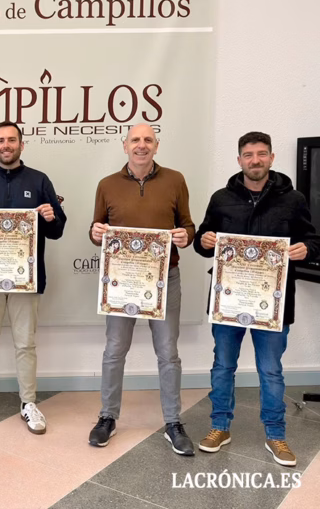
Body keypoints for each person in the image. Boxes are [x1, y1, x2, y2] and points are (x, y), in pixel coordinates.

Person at [193, 131, 320, 467]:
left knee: (271, 371)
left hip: (273, 305)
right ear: (239, 160)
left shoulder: (293, 199)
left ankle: (276, 434)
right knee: (223, 366)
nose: (255, 160)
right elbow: (202, 240)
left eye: (261, 154)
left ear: (272, 158)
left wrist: (306, 249)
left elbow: (312, 240)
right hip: (229, 301)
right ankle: (220, 426)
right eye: (248, 155)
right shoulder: (221, 198)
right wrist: (203, 240)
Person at [88, 124, 196, 455]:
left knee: (168, 353)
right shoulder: (106, 184)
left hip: (165, 278)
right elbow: (95, 231)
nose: (141, 145)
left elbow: (188, 226)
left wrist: (185, 236)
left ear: (156, 146)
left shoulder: (175, 180)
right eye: (135, 140)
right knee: (114, 350)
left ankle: (173, 422)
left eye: (148, 140)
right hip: (122, 281)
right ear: (125, 146)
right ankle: (107, 417)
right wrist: (95, 233)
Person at [0, 121, 66, 435]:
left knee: (25, 344)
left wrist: (51, 217)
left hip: (26, 280)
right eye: (1, 140)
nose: (6, 145)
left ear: (21, 144)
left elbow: (57, 230)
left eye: (12, 140)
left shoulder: (39, 180)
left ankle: (29, 403)